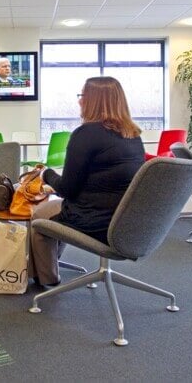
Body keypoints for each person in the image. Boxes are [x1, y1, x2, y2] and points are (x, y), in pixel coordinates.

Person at [28, 77, 146, 286]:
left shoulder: (86, 133)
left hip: (95, 220)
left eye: (82, 96)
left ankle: (47, 279)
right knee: (54, 212)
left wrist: (46, 174)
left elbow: (67, 190)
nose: (80, 101)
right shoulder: (133, 135)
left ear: (93, 101)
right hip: (129, 221)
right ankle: (50, 265)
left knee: (39, 218)